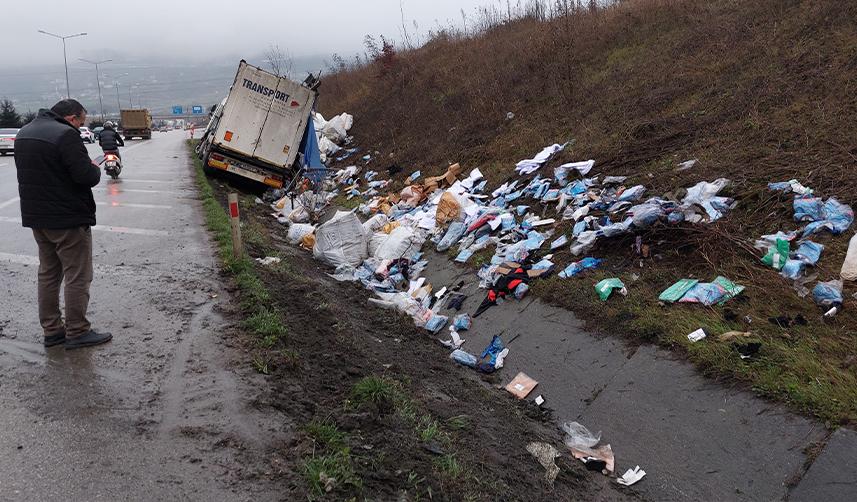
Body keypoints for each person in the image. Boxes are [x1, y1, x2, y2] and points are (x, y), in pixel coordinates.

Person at [14, 99, 113, 349]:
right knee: (78, 275)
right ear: (70, 118)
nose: (81, 127)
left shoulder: (25, 133)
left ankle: (52, 331)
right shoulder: (66, 135)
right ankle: (78, 331)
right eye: (81, 122)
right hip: (67, 218)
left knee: (48, 273)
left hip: (38, 217)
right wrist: (93, 168)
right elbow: (85, 176)